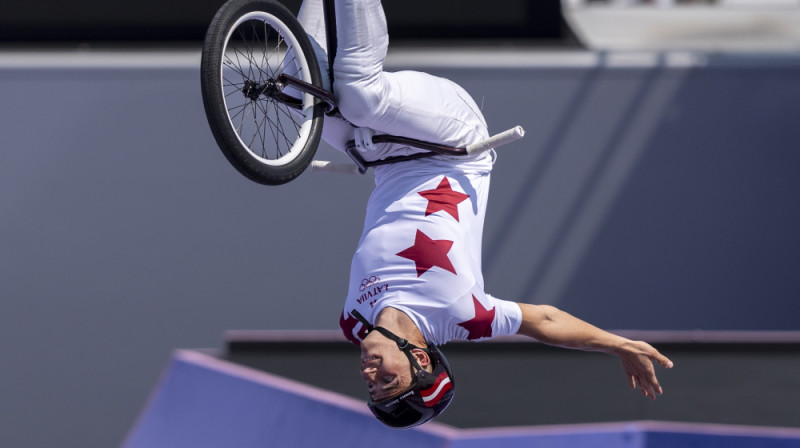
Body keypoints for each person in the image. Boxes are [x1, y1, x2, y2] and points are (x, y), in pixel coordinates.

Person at [296, 0, 674, 429]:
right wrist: (617, 346)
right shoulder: (460, 316)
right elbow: (546, 321)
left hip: (382, 155)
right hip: (454, 143)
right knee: (360, 97)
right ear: (419, 358)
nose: (369, 373)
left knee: (296, 93)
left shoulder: (353, 322)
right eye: (387, 379)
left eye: (371, 385)